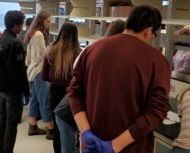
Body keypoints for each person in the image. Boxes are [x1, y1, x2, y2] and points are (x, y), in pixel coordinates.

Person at [68, 5, 171, 153]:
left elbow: (74, 93)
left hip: (92, 146)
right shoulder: (157, 61)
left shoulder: (92, 50)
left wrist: (86, 133)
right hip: (132, 148)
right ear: (148, 31)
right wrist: (115, 145)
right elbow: (156, 111)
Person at [0, 10, 29, 153]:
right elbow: (19, 71)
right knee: (11, 124)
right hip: (12, 91)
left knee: (1, 120)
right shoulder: (15, 43)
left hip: (0, 88)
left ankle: (0, 150)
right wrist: (26, 91)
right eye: (22, 24)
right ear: (16, 25)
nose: (22, 27)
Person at [41, 22, 81, 153]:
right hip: (72, 96)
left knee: (58, 129)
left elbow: (44, 76)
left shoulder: (51, 51)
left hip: (55, 93)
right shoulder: (79, 53)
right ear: (75, 35)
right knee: (74, 128)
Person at [24, 11, 54, 137]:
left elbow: (31, 57)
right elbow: (40, 56)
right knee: (44, 100)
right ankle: (50, 129)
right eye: (48, 21)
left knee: (35, 100)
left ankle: (32, 126)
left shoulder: (34, 33)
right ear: (41, 21)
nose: (49, 24)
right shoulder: (39, 35)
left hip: (32, 71)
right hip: (39, 72)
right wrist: (51, 51)